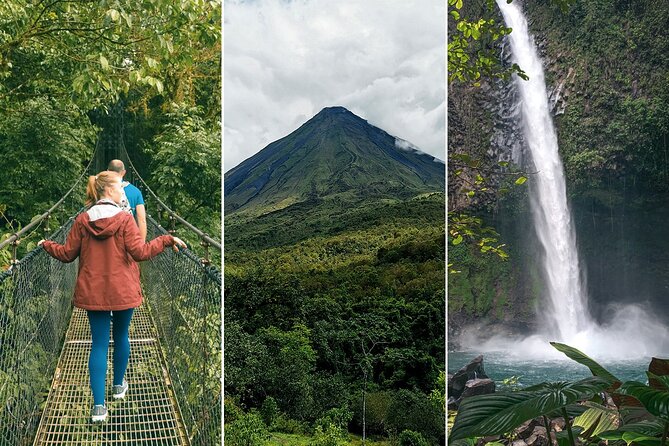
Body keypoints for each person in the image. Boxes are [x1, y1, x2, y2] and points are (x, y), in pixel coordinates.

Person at [38, 171, 186, 423]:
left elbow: (66, 254)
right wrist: (166, 239)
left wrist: (45, 244)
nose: (123, 193)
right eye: (119, 188)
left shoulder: (82, 220)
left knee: (98, 344)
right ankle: (118, 386)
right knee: (121, 336)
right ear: (109, 190)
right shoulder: (125, 220)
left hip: (93, 292)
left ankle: (98, 407)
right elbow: (140, 252)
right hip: (123, 291)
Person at [107, 159, 147, 242]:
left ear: (107, 171)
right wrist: (141, 245)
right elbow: (142, 219)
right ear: (123, 172)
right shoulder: (135, 191)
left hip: (107, 239)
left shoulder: (101, 190)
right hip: (128, 237)